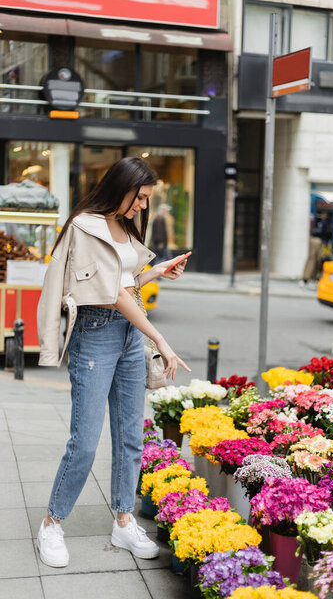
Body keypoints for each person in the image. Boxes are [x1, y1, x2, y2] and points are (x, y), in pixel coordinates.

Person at [36, 157, 191, 568]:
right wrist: (160, 337)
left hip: (126, 336)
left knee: (130, 437)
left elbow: (127, 283)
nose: (143, 206)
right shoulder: (85, 226)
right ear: (121, 187)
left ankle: (124, 521)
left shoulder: (123, 226)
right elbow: (110, 294)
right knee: (84, 442)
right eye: (140, 197)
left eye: (146, 200)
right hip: (96, 335)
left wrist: (156, 271)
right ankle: (52, 523)